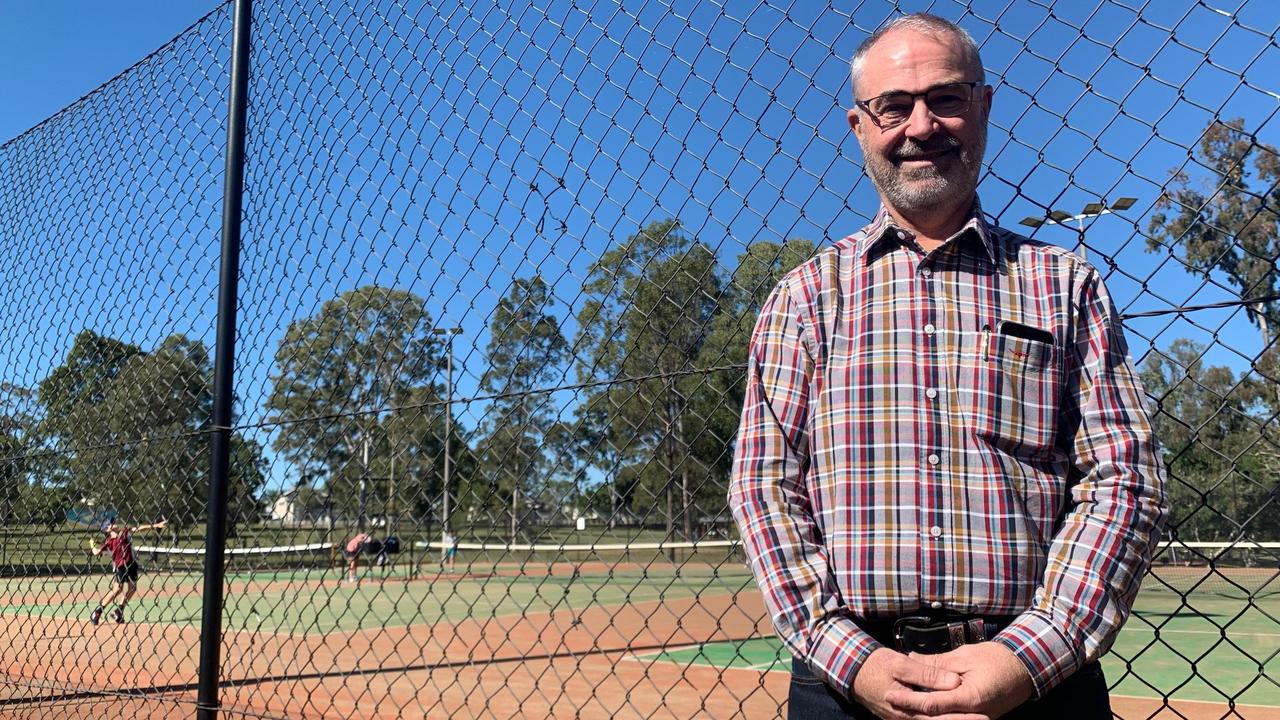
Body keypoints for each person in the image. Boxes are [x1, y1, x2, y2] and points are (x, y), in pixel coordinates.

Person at [728, 13, 1167, 720]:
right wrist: (848, 654)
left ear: (984, 106)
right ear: (860, 127)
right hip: (845, 681)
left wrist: (1032, 653)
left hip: (1036, 678)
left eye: (947, 98)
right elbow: (763, 491)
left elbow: (1124, 478)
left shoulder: (1064, 285)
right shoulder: (803, 300)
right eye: (893, 106)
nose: (922, 125)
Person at [89, 516, 167, 625]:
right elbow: (96, 552)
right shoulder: (109, 542)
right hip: (120, 566)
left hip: (132, 564)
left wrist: (155, 526)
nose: (114, 523)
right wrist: (92, 544)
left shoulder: (123, 532)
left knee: (132, 588)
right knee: (117, 590)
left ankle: (118, 611)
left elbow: (138, 529)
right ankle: (97, 612)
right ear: (107, 529)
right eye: (111, 523)